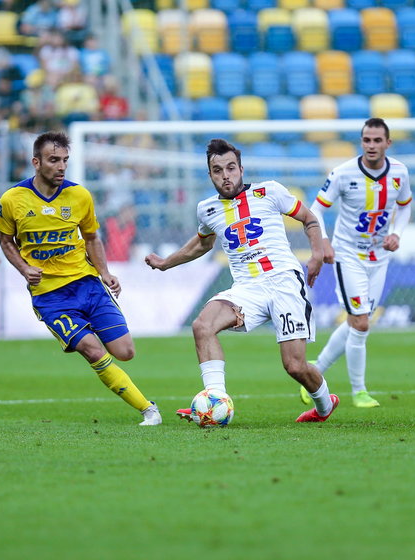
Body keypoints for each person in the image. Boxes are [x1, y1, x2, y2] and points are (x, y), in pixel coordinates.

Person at [145, 138, 340, 423]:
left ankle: (324, 405)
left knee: (295, 366)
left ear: (241, 168)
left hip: (284, 281)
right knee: (202, 326)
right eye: (218, 170)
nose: (226, 175)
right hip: (247, 289)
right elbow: (201, 244)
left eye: (231, 168)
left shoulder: (269, 191)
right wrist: (165, 263)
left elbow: (309, 218)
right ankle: (213, 401)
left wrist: (317, 254)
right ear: (210, 174)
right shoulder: (207, 209)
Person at [0, 131, 161, 426]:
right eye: (53, 160)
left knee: (125, 352)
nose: (61, 166)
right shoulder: (12, 200)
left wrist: (105, 273)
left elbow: (92, 238)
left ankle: (100, 345)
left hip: (87, 285)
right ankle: (148, 409)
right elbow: (7, 241)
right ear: (36, 162)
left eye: (65, 161)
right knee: (91, 349)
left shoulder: (80, 195)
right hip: (50, 296)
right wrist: (24, 268)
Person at [299, 118, 412, 409]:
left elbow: (406, 205)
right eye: (366, 140)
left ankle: (316, 370)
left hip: (379, 258)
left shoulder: (399, 172)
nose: (371, 145)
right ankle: (359, 391)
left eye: (377, 140)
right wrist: (323, 241)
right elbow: (316, 210)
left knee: (357, 321)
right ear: (361, 142)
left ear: (388, 143)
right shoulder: (343, 173)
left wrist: (396, 234)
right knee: (361, 323)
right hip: (348, 254)